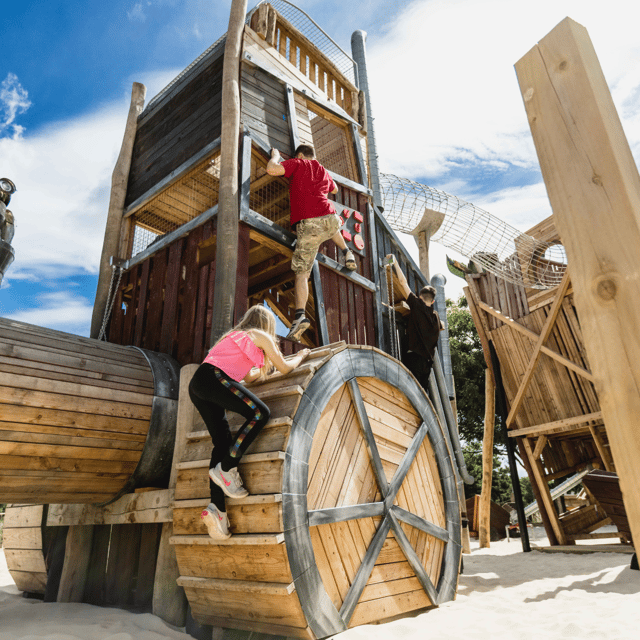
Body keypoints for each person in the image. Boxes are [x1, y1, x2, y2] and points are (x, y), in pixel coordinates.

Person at [189, 305, 310, 539]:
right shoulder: (260, 335)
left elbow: (249, 377)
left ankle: (217, 510)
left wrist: (264, 367)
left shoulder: (233, 338)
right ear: (267, 325)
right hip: (214, 378)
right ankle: (227, 468)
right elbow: (285, 367)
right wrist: (301, 356)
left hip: (198, 384)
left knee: (221, 443)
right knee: (260, 414)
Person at [266, 144, 357, 341]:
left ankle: (300, 316)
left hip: (308, 223)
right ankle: (346, 251)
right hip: (330, 217)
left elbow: (272, 170)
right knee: (331, 226)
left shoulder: (298, 163)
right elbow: (334, 188)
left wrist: (275, 157)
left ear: (300, 155)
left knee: (302, 272)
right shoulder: (322, 169)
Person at [386, 254, 444, 389]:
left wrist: (394, 261)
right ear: (433, 301)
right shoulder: (436, 317)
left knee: (409, 394)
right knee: (422, 397)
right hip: (427, 365)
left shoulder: (417, 305)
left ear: (420, 297)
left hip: (414, 360)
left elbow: (402, 283)